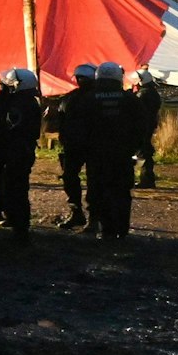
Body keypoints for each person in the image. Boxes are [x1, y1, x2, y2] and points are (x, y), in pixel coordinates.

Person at [81, 62, 147, 240]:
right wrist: (134, 147)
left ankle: (107, 230)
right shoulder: (130, 99)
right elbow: (141, 126)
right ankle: (122, 229)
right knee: (122, 192)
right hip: (122, 155)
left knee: (99, 190)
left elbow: (80, 127)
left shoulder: (89, 99)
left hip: (97, 155)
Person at [0, 69, 42, 237]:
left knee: (4, 183)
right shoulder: (31, 104)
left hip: (6, 152)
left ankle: (5, 216)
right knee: (18, 187)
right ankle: (18, 223)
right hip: (21, 153)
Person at [54, 62, 98, 230]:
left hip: (87, 146)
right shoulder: (71, 98)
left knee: (91, 180)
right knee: (72, 178)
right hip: (77, 146)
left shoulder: (71, 98)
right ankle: (81, 213)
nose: (80, 81)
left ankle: (91, 217)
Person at [132, 69, 163, 189]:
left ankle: (146, 179)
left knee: (142, 152)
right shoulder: (152, 92)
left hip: (142, 126)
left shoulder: (143, 94)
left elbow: (135, 109)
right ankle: (147, 179)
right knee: (145, 151)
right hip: (148, 125)